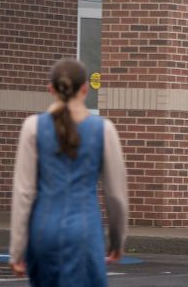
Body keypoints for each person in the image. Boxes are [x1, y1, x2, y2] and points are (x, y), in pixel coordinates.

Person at [9, 58, 128, 286]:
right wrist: (117, 241)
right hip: (85, 233)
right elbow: (115, 196)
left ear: (51, 89)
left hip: (43, 232)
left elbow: (23, 193)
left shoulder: (32, 127)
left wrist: (17, 250)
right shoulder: (104, 130)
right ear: (85, 88)